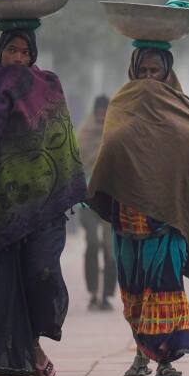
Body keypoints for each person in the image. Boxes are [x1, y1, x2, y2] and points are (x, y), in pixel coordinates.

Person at [0, 28, 86, 376]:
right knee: (3, 286)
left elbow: (60, 137)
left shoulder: (49, 86)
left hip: (42, 204)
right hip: (0, 203)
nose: (17, 57)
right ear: (0, 52)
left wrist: (64, 183)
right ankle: (17, 366)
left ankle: (30, 347)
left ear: (33, 55)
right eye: (10, 50)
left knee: (40, 274)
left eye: (23, 51)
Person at [87, 43, 189, 376]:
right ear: (134, 71)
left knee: (164, 287)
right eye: (144, 71)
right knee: (134, 291)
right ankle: (140, 354)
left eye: (156, 71)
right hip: (128, 220)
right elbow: (112, 149)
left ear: (168, 72)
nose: (149, 78)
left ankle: (165, 360)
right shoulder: (121, 105)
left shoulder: (181, 107)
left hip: (167, 221)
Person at [77, 94, 116, 311]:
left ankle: (107, 294)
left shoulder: (116, 134)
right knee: (92, 243)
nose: (102, 115)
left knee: (111, 248)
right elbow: (74, 165)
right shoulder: (83, 135)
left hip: (111, 199)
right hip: (88, 201)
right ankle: (93, 292)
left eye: (105, 111)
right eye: (99, 111)